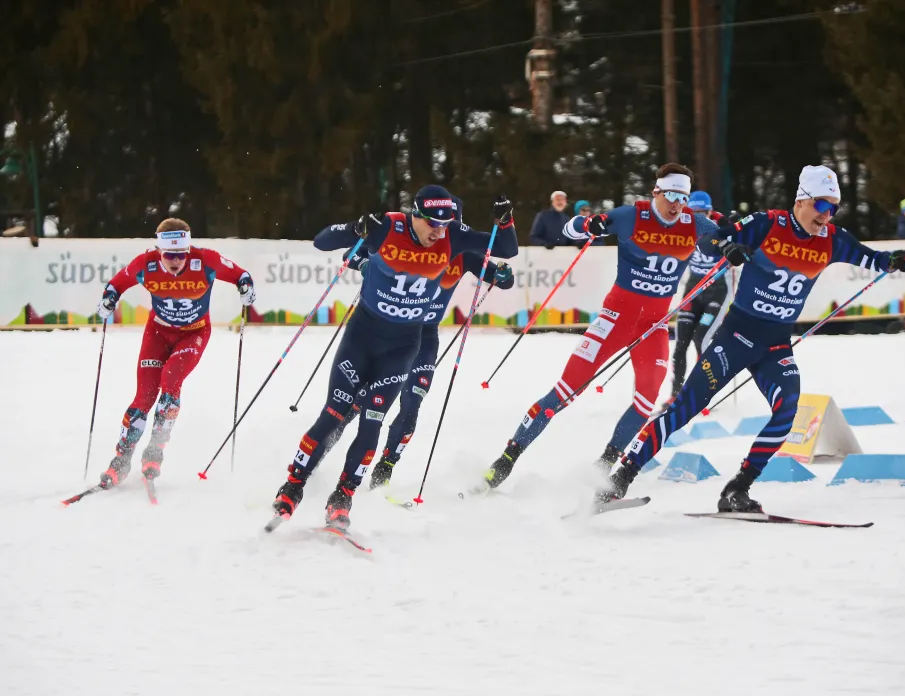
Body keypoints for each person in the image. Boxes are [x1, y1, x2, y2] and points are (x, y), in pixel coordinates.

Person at [601, 165, 905, 512]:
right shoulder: (768, 224)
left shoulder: (832, 240)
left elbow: (872, 258)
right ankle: (618, 480)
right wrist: (729, 249)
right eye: (822, 206)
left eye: (834, 208)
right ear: (802, 200)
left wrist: (894, 260)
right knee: (683, 409)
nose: (827, 216)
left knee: (787, 410)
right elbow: (712, 239)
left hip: (776, 344)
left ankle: (738, 488)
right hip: (736, 336)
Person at [271, 185, 518, 530]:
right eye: (435, 223)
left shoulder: (460, 247)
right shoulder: (392, 230)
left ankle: (362, 484)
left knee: (391, 409)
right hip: (368, 332)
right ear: (417, 216)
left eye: (450, 224)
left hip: (415, 339)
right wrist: (358, 238)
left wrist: (503, 251)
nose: (440, 232)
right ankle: (298, 482)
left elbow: (503, 257)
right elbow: (334, 245)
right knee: (342, 409)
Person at [480, 163, 720, 492]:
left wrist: (737, 246)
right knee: (565, 391)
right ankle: (506, 460)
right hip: (616, 318)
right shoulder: (630, 216)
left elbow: (732, 240)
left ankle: (604, 467)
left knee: (648, 398)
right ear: (656, 192)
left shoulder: (696, 224)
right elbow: (572, 231)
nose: (677, 203)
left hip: (654, 325)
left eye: (684, 197)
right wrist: (586, 224)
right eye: (672, 195)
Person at [321, 251, 516, 489]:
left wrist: (503, 274)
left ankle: (383, 472)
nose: (442, 231)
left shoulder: (464, 252)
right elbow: (350, 254)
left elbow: (504, 281)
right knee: (359, 402)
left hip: (426, 337)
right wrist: (363, 263)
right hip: (393, 333)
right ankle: (315, 458)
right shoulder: (410, 239)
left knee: (412, 403)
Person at [94, 218, 256, 489]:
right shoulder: (145, 264)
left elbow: (241, 275)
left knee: (170, 382)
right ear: (159, 251)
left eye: (181, 254)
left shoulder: (205, 260)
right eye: (169, 255)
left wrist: (246, 287)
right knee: (144, 397)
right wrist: (108, 300)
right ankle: (120, 461)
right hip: (157, 332)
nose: (175, 261)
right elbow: (116, 284)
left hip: (193, 333)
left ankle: (154, 453)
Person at [668, 190, 731, 400]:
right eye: (694, 213)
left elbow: (734, 232)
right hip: (694, 289)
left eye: (703, 213)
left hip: (717, 291)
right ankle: (676, 393)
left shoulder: (720, 229)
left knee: (701, 337)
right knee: (680, 342)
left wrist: (724, 220)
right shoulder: (683, 227)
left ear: (710, 212)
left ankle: (702, 391)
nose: (698, 218)